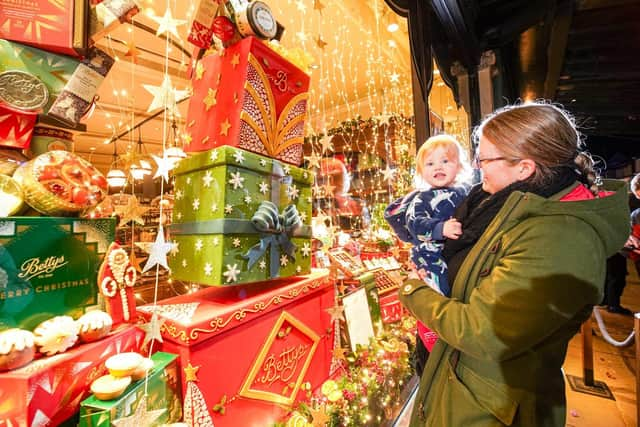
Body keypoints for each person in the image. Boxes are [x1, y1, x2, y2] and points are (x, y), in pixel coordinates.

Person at [399, 102, 629, 426]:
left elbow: (481, 331)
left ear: (524, 168)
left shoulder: (559, 236)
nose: (478, 168)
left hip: (497, 408)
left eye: (485, 159)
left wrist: (415, 291)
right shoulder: (506, 206)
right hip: (473, 391)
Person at [384, 135, 470, 368]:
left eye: (445, 161)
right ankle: (433, 339)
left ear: (459, 166)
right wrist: (440, 228)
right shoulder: (423, 198)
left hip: (448, 255)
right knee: (435, 295)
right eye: (430, 164)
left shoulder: (465, 191)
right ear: (422, 171)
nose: (438, 168)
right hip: (430, 257)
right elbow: (416, 224)